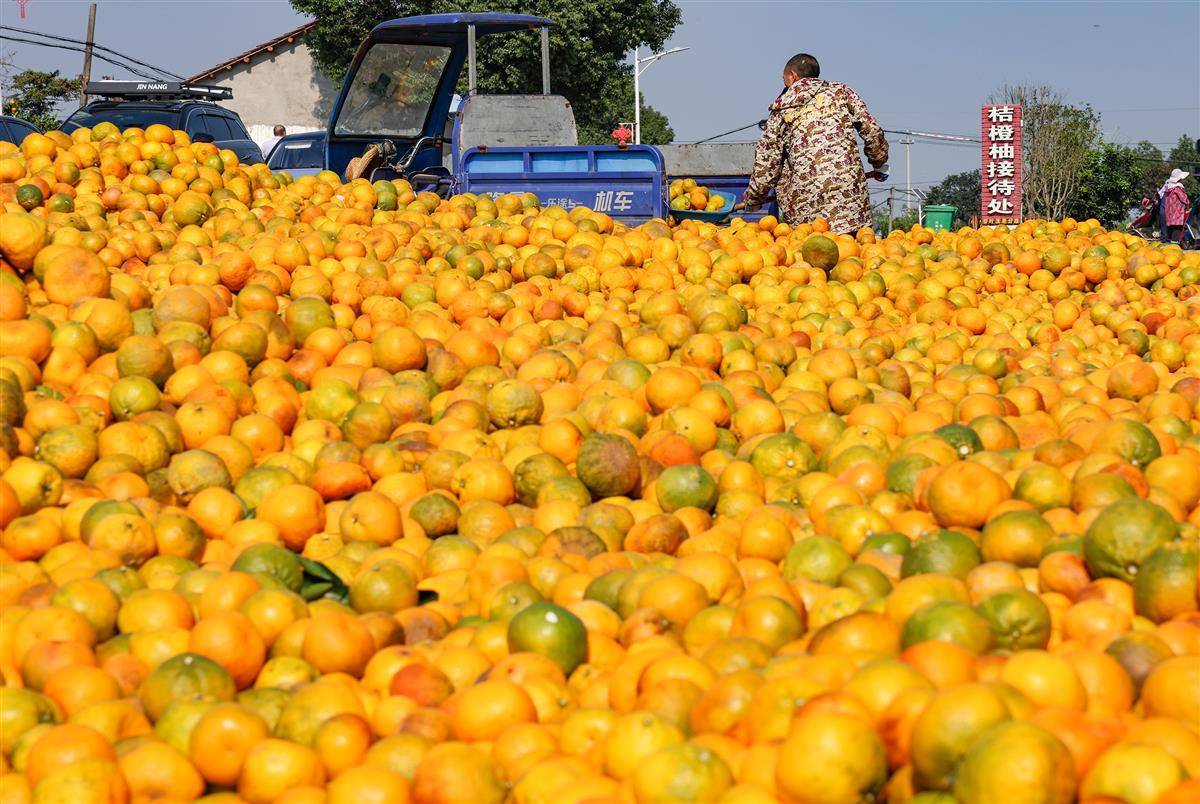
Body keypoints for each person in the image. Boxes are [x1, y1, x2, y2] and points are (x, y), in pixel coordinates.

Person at [739, 53, 888, 234]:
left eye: (784, 79)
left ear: (792, 76)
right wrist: (878, 163)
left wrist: (754, 197)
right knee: (854, 256)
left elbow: (767, 162)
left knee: (812, 256)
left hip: (806, 207)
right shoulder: (842, 91)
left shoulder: (782, 106)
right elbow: (872, 130)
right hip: (850, 201)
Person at [1158, 168, 1190, 244]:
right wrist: (1188, 205)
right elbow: (1184, 199)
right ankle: (1174, 243)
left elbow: (1161, 195)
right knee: (1177, 226)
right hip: (1177, 211)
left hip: (1169, 211)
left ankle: (1168, 242)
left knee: (1170, 226)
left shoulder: (1167, 186)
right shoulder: (1178, 188)